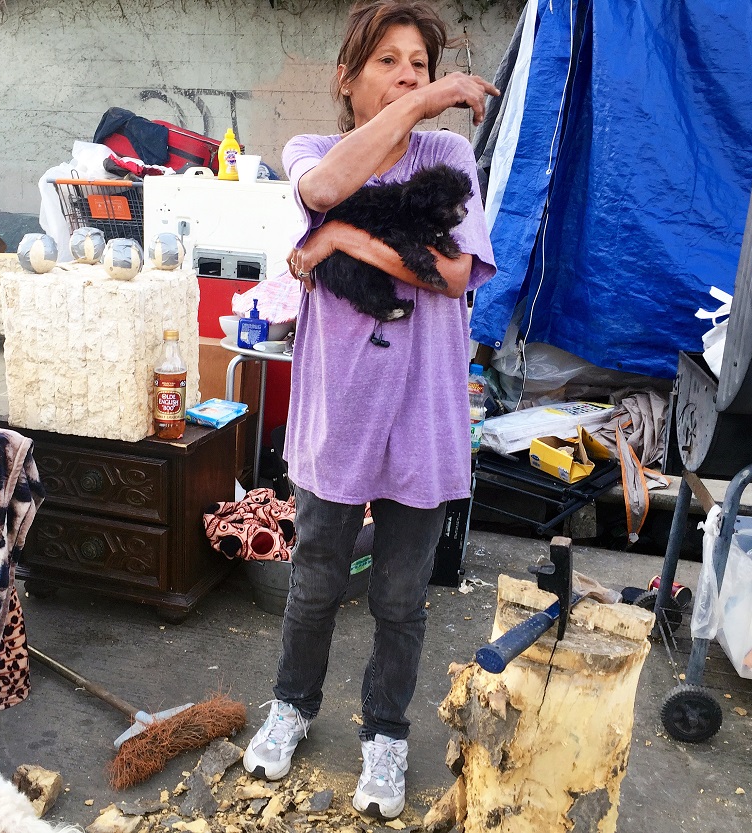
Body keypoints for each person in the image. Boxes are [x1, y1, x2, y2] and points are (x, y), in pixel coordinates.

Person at [242, 0, 498, 821]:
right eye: (388, 61)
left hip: (422, 414)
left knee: (399, 597)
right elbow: (323, 191)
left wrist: (342, 240)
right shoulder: (312, 151)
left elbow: (453, 275)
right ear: (347, 79)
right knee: (315, 581)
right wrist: (425, 103)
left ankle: (385, 732)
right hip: (337, 412)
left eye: (421, 65)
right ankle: (292, 706)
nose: (408, 77)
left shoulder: (447, 154)